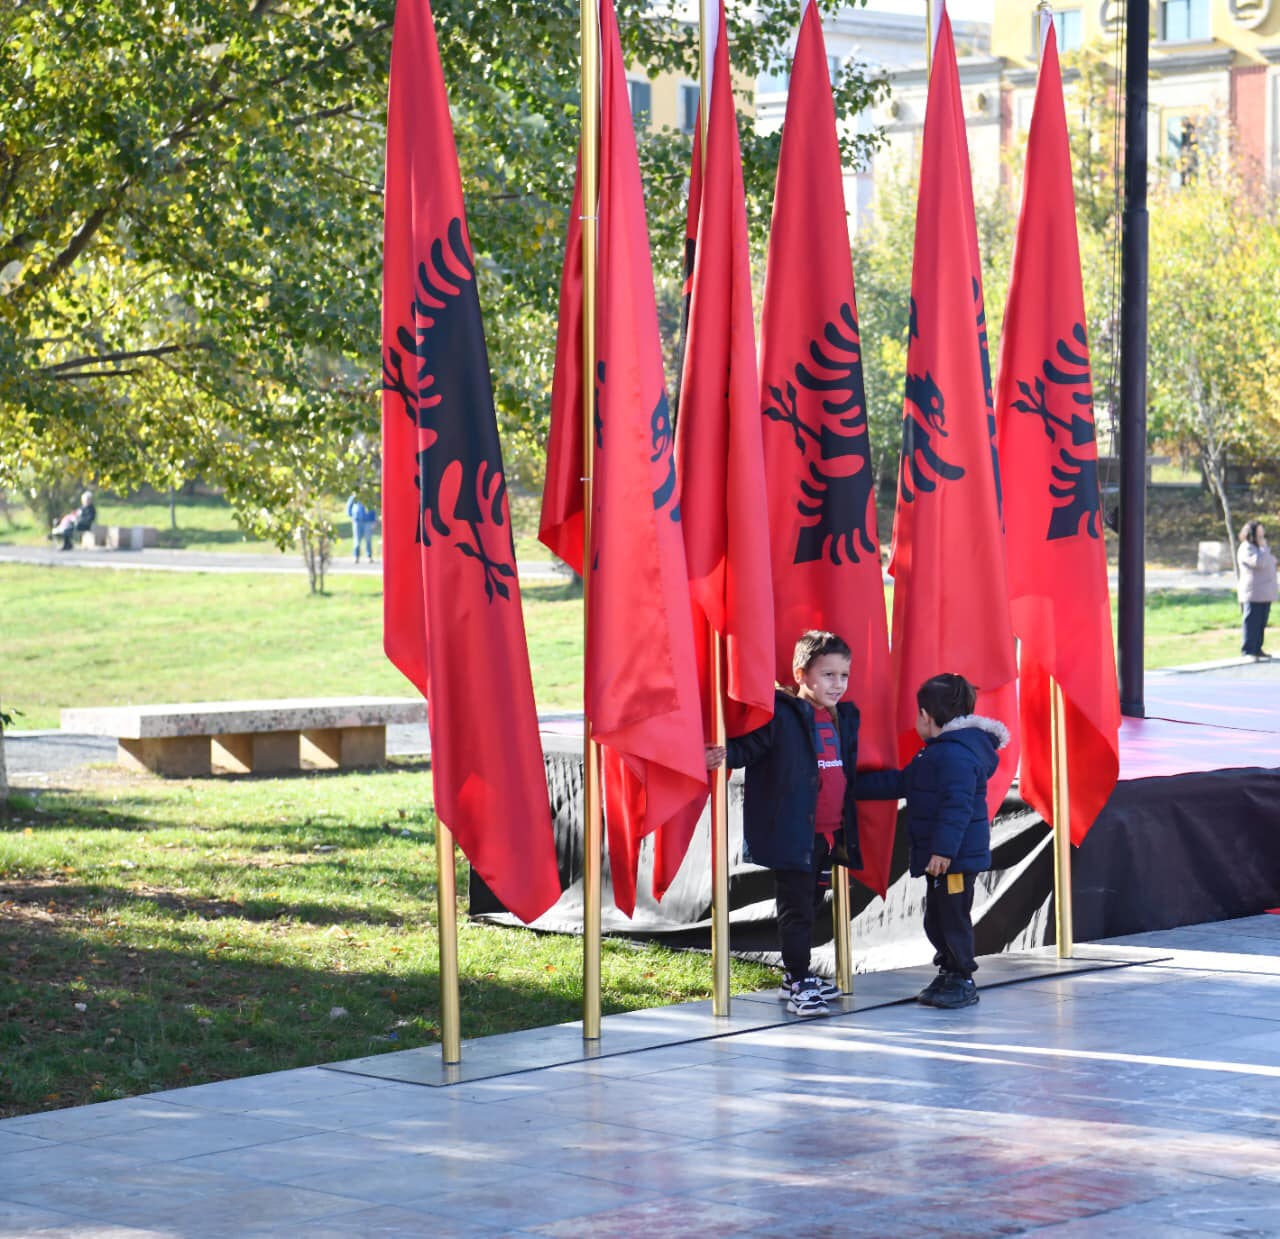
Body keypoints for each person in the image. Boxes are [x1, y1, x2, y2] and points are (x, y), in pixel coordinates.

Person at [706, 630, 862, 1017]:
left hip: (827, 837)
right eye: (828, 675)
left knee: (811, 905)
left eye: (843, 675)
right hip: (795, 836)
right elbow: (748, 749)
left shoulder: (844, 718)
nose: (838, 684)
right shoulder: (781, 716)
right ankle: (798, 978)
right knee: (796, 910)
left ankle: (795, 979)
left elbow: (848, 773)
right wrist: (718, 754)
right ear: (800, 674)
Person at [858, 673, 1008, 1010]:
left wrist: (943, 851)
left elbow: (957, 807)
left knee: (952, 917)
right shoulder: (938, 754)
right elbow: (902, 782)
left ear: (926, 715)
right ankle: (949, 970)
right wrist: (850, 788)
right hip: (944, 860)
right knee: (937, 918)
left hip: (954, 861)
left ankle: (962, 977)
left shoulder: (954, 755)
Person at [1237, 520, 1276, 661]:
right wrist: (1264, 548)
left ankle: (1257, 649)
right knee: (1252, 622)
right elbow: (1259, 563)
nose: (1262, 535)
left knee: (1261, 623)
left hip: (1265, 593)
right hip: (1253, 593)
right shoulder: (1247, 548)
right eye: (1259, 532)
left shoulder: (1259, 548)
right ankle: (1248, 650)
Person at [346, 495, 378, 563]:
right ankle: (356, 556)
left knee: (368, 540)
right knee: (357, 540)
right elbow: (349, 507)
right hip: (357, 521)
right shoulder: (354, 496)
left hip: (368, 521)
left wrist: (374, 520)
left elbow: (373, 508)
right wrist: (352, 515)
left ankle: (369, 556)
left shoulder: (369, 495)